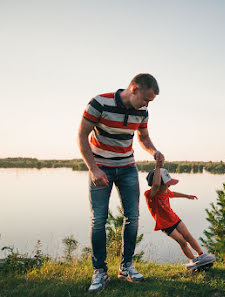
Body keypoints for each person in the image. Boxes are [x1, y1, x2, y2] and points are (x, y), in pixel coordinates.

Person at [78, 73, 165, 292]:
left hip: (127, 167)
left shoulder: (142, 111)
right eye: (145, 99)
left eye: (150, 102)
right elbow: (81, 136)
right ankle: (100, 271)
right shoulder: (99, 102)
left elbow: (143, 138)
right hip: (100, 168)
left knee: (132, 217)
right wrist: (94, 169)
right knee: (99, 219)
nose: (146, 105)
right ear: (134, 89)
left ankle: (126, 266)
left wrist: (154, 151)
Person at [144, 165, 216, 270]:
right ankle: (193, 260)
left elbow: (174, 194)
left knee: (188, 236)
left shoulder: (165, 191)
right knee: (182, 241)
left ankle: (201, 255)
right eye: (167, 185)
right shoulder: (150, 195)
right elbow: (155, 185)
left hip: (174, 218)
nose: (169, 187)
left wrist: (187, 196)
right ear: (159, 185)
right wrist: (158, 166)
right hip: (164, 224)